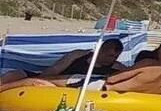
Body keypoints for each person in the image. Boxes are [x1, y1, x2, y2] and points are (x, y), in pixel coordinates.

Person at [0, 37, 128, 92]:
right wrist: (40, 78)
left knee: (32, 82)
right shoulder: (78, 55)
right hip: (53, 78)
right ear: (100, 50)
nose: (111, 59)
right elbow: (54, 69)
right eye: (110, 55)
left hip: (65, 87)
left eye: (115, 57)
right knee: (14, 74)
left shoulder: (116, 67)